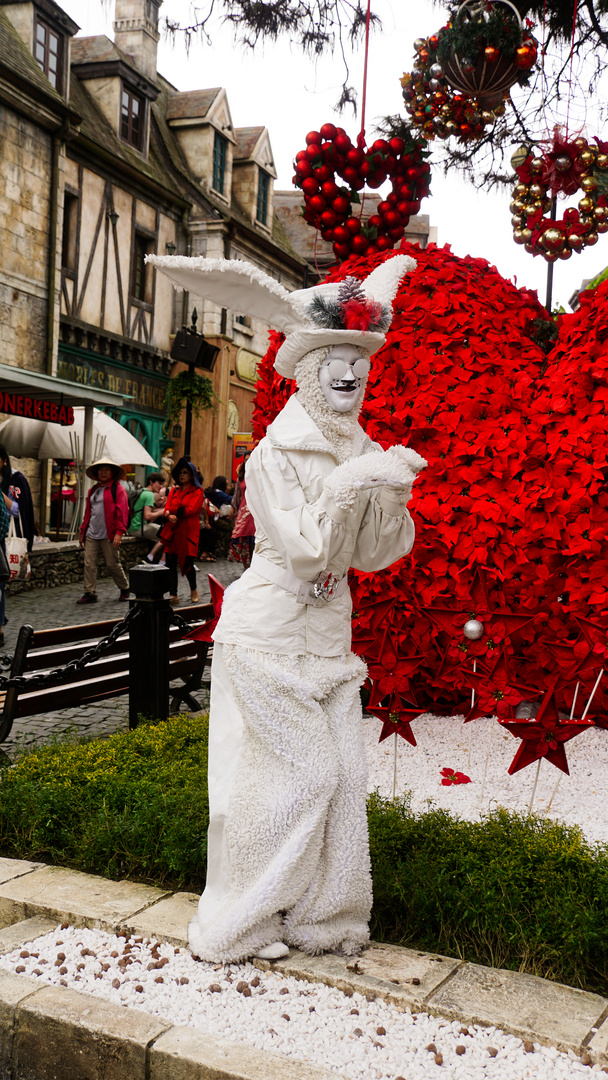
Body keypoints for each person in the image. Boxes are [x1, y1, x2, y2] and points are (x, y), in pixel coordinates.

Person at [151, 253, 425, 965]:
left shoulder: (356, 445)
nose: (350, 370)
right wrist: (354, 482)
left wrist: (388, 495)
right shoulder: (273, 454)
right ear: (305, 365)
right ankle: (238, 924)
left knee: (342, 783)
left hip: (329, 641)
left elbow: (367, 555)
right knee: (298, 777)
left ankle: (324, 919)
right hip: (268, 636)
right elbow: (305, 554)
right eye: (334, 355)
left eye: (359, 358)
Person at [78, 459, 130, 604]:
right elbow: (89, 512)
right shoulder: (93, 490)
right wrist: (83, 531)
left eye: (106, 469)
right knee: (89, 563)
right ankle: (89, 592)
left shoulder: (118, 489)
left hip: (109, 533)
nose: (103, 472)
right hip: (92, 532)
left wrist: (119, 532)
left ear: (112, 472)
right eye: (101, 469)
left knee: (112, 563)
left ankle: (125, 587)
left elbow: (122, 512)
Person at [160, 458, 204, 605]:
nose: (182, 475)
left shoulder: (197, 491)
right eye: (180, 473)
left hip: (188, 532)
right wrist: (169, 515)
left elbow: (192, 509)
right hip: (173, 531)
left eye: (185, 472)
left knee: (188, 563)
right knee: (170, 563)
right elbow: (166, 508)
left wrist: (173, 511)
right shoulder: (174, 491)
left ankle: (194, 589)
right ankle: (173, 594)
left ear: (192, 475)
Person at [0, 445, 35, 552]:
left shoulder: (16, 479)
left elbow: (18, 511)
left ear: (4, 460)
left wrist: (1, 495)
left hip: (10, 531)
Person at [128, 472, 167, 560]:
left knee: (163, 539)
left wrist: (156, 505)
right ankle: (153, 559)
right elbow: (147, 516)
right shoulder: (149, 494)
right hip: (138, 528)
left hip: (131, 527)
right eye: (159, 483)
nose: (161, 487)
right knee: (168, 535)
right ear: (151, 482)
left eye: (162, 484)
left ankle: (153, 558)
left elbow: (141, 510)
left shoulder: (142, 491)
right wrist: (163, 512)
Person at [227, 453, 255, 568]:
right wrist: (233, 508)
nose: (248, 462)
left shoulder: (260, 476)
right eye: (246, 460)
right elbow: (236, 495)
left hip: (255, 512)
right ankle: (246, 567)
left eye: (250, 459)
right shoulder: (241, 477)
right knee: (242, 539)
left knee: (254, 540)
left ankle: (255, 566)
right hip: (243, 513)